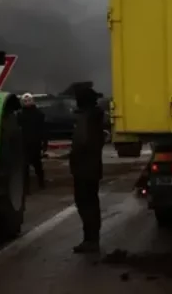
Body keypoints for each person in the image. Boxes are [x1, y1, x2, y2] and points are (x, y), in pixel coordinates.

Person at [69, 82, 105, 253]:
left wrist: (74, 156)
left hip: (84, 167)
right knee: (91, 202)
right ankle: (92, 239)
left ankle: (90, 240)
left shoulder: (85, 118)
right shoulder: (94, 116)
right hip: (92, 166)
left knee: (85, 203)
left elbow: (81, 142)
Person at [18, 93, 47, 192]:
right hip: (27, 143)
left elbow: (43, 129)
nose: (27, 103)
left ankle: (38, 184)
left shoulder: (37, 114)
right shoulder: (21, 115)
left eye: (28, 101)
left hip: (33, 143)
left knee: (35, 164)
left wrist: (44, 142)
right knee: (28, 166)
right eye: (25, 101)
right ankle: (30, 187)